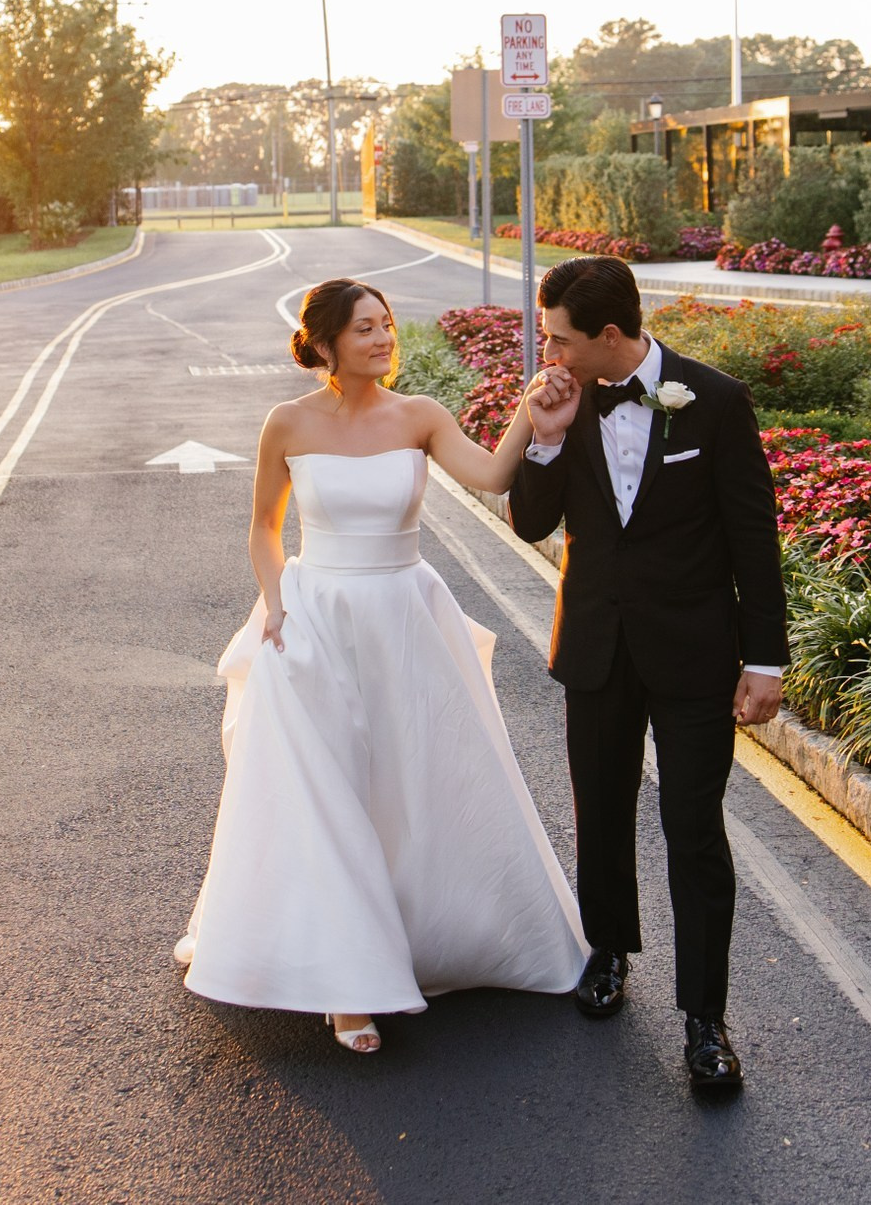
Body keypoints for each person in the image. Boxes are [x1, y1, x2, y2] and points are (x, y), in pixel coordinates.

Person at [176, 278, 588, 1053]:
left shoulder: (420, 415)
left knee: (411, 785)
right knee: (326, 797)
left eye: (386, 324)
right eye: (364, 328)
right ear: (325, 343)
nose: (382, 338)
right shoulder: (287, 422)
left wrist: (533, 418)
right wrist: (275, 601)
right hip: (314, 620)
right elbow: (264, 527)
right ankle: (347, 985)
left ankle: (423, 936)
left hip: (404, 614)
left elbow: (492, 476)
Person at [509, 255, 788, 1095]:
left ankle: (706, 1018)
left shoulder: (718, 400)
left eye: (559, 338)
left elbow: (753, 537)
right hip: (596, 646)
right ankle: (607, 950)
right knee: (600, 810)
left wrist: (765, 658)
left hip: (694, 652)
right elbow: (530, 522)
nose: (548, 352)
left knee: (693, 831)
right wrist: (546, 436)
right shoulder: (559, 400)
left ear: (609, 334)